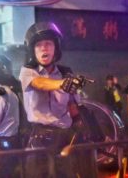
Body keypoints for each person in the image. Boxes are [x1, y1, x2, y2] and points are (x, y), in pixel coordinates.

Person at [19, 22, 92, 177]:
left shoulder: (66, 73)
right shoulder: (28, 72)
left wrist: (81, 125)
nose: (44, 48)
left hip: (65, 137)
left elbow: (72, 104)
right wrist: (63, 84)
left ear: (56, 48)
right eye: (39, 45)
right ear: (32, 50)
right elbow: (40, 84)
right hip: (40, 139)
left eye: (48, 44)